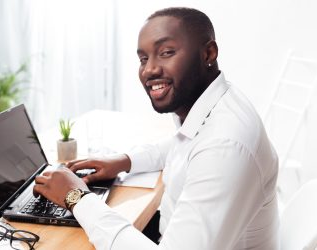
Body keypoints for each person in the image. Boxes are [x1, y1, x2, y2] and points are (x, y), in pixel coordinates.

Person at [33, 7, 279, 249]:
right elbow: (182, 144)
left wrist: (76, 197)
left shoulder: (225, 144)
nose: (149, 69)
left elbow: (211, 149)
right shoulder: (214, 107)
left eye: (166, 52)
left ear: (208, 53)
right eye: (143, 58)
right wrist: (123, 161)